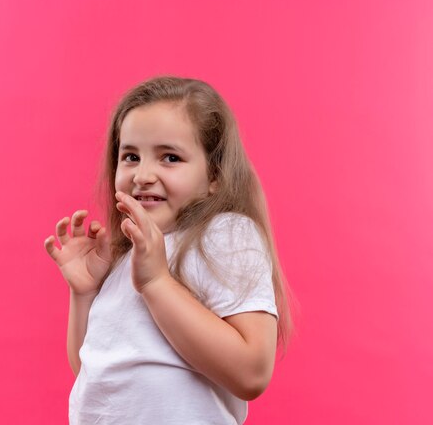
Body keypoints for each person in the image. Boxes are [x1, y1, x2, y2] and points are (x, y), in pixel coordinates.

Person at [44, 76, 293, 424]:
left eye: (170, 158)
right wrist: (83, 293)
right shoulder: (126, 255)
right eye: (131, 156)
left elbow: (251, 372)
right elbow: (94, 372)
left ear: (214, 176)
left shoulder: (225, 234)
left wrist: (157, 283)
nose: (143, 174)